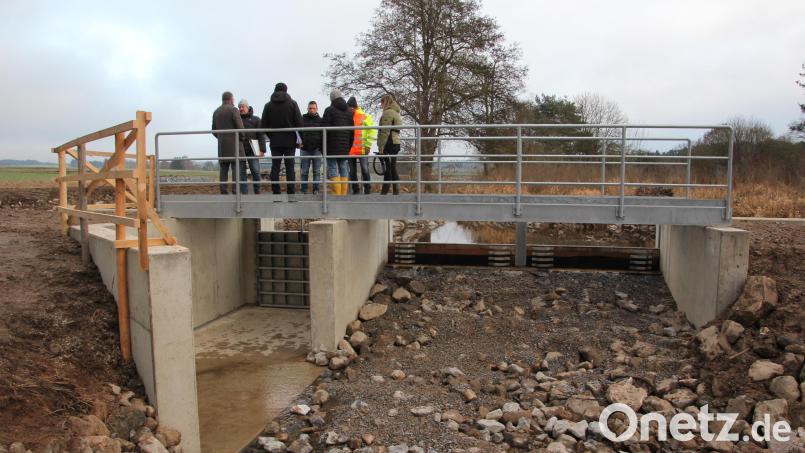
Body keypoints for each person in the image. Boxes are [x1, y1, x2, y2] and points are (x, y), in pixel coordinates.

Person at [260, 82, 303, 195]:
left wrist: (272, 135)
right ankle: (291, 192)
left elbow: (263, 125)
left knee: (275, 167)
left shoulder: (268, 105)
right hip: (290, 141)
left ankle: (276, 191)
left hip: (275, 142)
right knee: (290, 167)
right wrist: (296, 137)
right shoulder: (293, 104)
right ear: (286, 90)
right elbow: (299, 123)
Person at [212, 91, 246, 194]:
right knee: (236, 168)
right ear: (231, 99)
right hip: (235, 145)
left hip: (222, 146)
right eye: (233, 99)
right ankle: (235, 190)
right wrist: (242, 137)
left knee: (223, 169)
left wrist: (221, 137)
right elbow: (240, 127)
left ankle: (223, 191)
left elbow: (214, 130)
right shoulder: (234, 110)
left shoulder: (216, 112)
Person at [320, 89, 353, 195]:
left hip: (331, 146)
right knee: (344, 168)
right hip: (344, 147)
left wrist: (323, 147)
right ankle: (343, 193)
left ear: (331, 99)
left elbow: (323, 130)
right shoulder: (349, 112)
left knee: (333, 167)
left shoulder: (329, 110)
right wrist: (348, 146)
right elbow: (352, 131)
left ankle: (336, 193)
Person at [346, 97, 377, 194]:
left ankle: (367, 189)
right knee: (352, 171)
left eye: (349, 108)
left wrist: (368, 145)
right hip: (351, 149)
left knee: (365, 169)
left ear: (353, 107)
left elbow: (371, 131)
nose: (348, 110)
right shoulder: (347, 117)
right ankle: (356, 190)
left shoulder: (365, 116)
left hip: (362, 149)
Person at [238, 99, 267, 194]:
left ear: (247, 107)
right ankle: (244, 193)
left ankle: (257, 190)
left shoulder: (256, 119)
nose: (241, 109)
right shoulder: (236, 119)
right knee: (241, 173)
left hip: (252, 149)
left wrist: (262, 149)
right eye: (239, 107)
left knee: (255, 171)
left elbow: (261, 135)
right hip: (240, 149)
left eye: (243, 106)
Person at [376, 94, 402, 195]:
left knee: (388, 168)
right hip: (395, 143)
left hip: (389, 143)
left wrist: (381, 147)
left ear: (385, 102)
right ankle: (396, 190)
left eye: (382, 103)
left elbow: (385, 131)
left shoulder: (388, 113)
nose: (380, 105)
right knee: (392, 167)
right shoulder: (396, 112)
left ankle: (384, 192)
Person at [299, 101, 323, 194]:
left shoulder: (321, 120)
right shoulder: (302, 119)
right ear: (307, 109)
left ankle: (316, 189)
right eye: (310, 108)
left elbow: (323, 134)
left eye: (313, 108)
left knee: (316, 171)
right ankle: (303, 190)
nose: (312, 110)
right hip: (305, 149)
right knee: (304, 171)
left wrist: (321, 146)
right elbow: (298, 132)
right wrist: (299, 143)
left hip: (317, 149)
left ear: (317, 109)